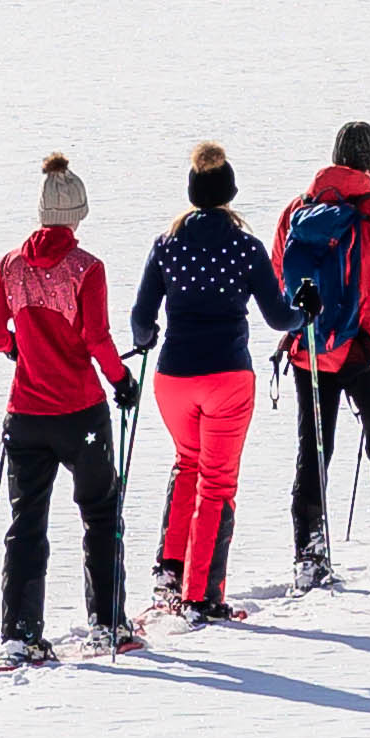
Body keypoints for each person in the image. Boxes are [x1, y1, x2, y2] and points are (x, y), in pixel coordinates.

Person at [126, 142, 281, 621]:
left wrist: (147, 337)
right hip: (227, 375)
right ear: (230, 192)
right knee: (217, 483)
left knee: (187, 463)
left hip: (174, 377)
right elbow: (278, 317)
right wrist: (305, 313)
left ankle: (168, 573)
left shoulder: (168, 243)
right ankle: (203, 594)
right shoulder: (246, 246)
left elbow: (140, 317)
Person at [0, 155, 130, 651]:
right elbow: (97, 338)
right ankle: (108, 623)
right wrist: (121, 380)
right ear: (79, 215)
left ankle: (19, 634)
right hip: (79, 412)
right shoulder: (87, 270)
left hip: (24, 414)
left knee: (26, 524)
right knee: (101, 511)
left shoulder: (10, 265)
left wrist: (15, 349)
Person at [277, 120, 370, 584]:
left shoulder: (296, 210)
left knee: (314, 450)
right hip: (367, 349)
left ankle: (310, 554)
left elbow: (279, 275)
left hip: (312, 350)